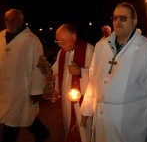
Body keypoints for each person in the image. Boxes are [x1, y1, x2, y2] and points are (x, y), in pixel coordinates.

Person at [80, 2, 147, 142]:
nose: (118, 22)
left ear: (134, 21)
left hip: (131, 122)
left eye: (123, 18)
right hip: (103, 119)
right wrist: (87, 109)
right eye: (115, 18)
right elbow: (93, 80)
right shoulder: (101, 46)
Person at [0, 8, 49, 142]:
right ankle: (42, 132)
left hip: (22, 88)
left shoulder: (32, 40)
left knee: (13, 119)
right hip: (3, 87)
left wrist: (36, 90)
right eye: (8, 19)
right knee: (24, 116)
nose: (10, 22)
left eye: (14, 19)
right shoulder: (0, 37)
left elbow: (39, 67)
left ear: (21, 21)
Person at [52, 23, 94, 142]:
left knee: (83, 133)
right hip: (66, 101)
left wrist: (80, 71)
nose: (60, 44)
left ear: (73, 38)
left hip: (83, 101)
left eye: (62, 41)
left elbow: (96, 75)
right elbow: (56, 72)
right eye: (58, 41)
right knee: (68, 128)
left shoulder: (88, 49)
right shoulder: (61, 53)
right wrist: (55, 89)